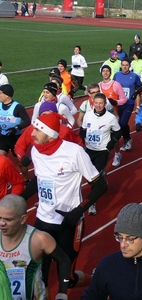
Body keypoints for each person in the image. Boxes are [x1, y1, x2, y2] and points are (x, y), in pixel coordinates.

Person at [21, 112, 108, 293]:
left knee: (68, 278)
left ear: (49, 133)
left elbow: (100, 185)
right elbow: (39, 179)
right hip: (43, 220)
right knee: (39, 275)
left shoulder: (74, 152)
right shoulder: (36, 150)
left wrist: (78, 210)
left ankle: (95, 280)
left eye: (37, 129)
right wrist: (19, 199)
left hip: (69, 222)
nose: (32, 133)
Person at [0, 194, 71, 300]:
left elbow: (64, 261)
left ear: (23, 219)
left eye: (8, 220)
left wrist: (62, 294)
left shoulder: (39, 239)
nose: (2, 223)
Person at [80, 92, 121, 215]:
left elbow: (118, 132)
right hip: (89, 150)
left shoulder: (110, 118)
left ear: (105, 104)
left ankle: (92, 203)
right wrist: (82, 138)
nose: (98, 105)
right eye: (96, 103)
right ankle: (102, 176)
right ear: (93, 103)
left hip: (102, 151)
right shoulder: (87, 115)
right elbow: (83, 130)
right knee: (89, 177)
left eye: (101, 103)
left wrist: (111, 143)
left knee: (94, 178)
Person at [0, 84, 31, 182]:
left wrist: (16, 128)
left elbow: (27, 121)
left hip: (15, 139)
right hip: (3, 137)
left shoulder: (17, 107)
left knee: (20, 163)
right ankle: (4, 181)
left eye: (0, 93)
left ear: (7, 95)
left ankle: (26, 179)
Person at [99, 65, 127, 167]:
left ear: (110, 73)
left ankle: (117, 153)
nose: (105, 73)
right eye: (104, 71)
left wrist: (115, 102)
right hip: (100, 116)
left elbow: (124, 99)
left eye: (107, 71)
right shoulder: (98, 86)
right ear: (101, 73)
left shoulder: (116, 85)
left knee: (113, 137)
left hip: (113, 115)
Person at [113, 58, 142, 152]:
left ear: (129, 66)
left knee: (123, 123)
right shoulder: (117, 75)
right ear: (121, 66)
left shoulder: (134, 76)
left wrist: (136, 93)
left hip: (129, 103)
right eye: (123, 65)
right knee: (119, 123)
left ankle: (128, 139)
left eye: (126, 65)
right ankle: (126, 139)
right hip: (118, 102)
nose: (124, 67)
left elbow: (140, 86)